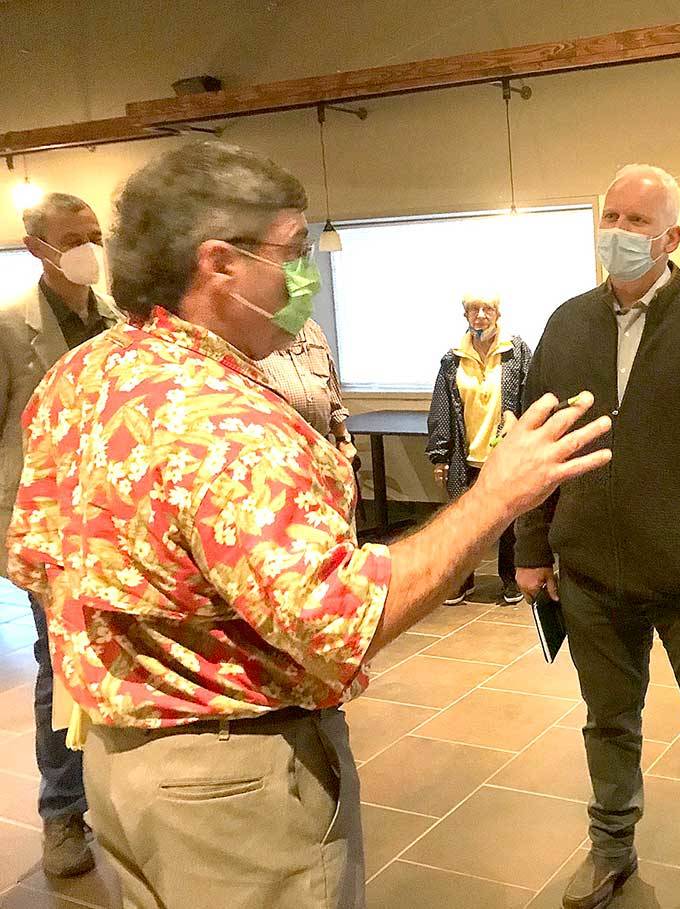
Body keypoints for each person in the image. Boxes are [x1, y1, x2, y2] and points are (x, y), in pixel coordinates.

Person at [5, 140, 611, 909]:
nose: (306, 277)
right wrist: (497, 497)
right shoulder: (222, 421)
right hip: (229, 790)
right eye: (293, 252)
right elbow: (340, 624)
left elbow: (33, 553)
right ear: (219, 264)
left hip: (119, 763)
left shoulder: (88, 371)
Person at [516, 164, 680, 909]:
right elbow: (538, 441)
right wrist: (534, 546)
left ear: (672, 237)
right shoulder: (567, 322)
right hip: (593, 574)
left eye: (637, 221)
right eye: (612, 216)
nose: (620, 233)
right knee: (607, 721)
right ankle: (610, 849)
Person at [0, 192, 117, 878]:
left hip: (113, 524)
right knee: (60, 665)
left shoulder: (115, 318)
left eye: (96, 234)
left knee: (112, 660)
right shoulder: (10, 328)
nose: (89, 248)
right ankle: (62, 810)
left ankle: (116, 793)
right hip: (47, 531)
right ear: (38, 247)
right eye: (74, 237)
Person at [427, 292, 533, 605]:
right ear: (466, 315)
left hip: (505, 454)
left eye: (488, 309)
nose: (481, 316)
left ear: (498, 314)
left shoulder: (517, 352)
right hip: (466, 455)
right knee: (465, 523)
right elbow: (442, 408)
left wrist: (518, 416)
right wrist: (440, 456)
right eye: (474, 309)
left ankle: (511, 579)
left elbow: (533, 392)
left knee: (510, 521)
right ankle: (463, 581)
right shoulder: (452, 358)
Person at [257, 317, 358, 463]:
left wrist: (343, 438)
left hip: (321, 445)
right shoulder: (250, 333)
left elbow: (332, 392)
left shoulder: (311, 328)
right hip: (278, 451)